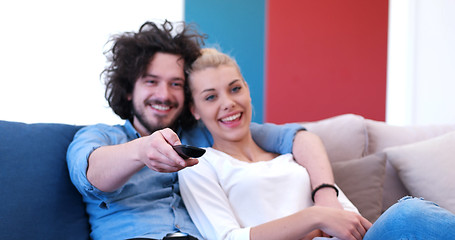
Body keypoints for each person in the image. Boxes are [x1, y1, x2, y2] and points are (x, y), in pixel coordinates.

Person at [66, 20, 341, 240]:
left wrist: (326, 196)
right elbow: (90, 174)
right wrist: (142, 150)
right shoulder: (101, 137)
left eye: (175, 84)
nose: (164, 95)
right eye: (151, 81)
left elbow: (298, 138)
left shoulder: (204, 133)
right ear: (128, 89)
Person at [178, 48, 455, 240]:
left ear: (248, 91)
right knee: (409, 214)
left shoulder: (294, 155)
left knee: (409, 216)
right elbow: (228, 238)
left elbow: (348, 219)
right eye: (211, 97)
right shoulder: (198, 166)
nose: (229, 103)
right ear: (194, 110)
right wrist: (314, 220)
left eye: (235, 88)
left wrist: (323, 219)